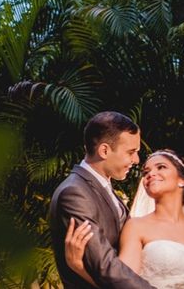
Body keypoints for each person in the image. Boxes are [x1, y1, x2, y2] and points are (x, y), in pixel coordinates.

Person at [65, 149, 184, 288]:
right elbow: (121, 283)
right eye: (146, 171)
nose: (150, 174)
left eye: (161, 167)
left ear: (183, 180)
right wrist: (79, 267)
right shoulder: (136, 226)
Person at [49, 111, 153, 288]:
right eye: (131, 152)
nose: (136, 160)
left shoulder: (99, 187)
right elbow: (103, 265)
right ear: (104, 150)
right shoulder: (75, 193)